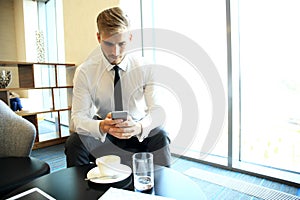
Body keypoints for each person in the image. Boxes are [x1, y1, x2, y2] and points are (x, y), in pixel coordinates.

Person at [65, 7, 171, 167]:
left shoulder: (146, 66)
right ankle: (81, 190)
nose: (115, 52)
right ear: (98, 37)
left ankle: (162, 189)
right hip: (104, 133)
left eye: (121, 44)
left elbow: (158, 112)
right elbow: (78, 118)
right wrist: (101, 126)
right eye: (108, 44)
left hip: (136, 129)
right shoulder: (85, 72)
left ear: (130, 37)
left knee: (161, 135)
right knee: (75, 141)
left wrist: (139, 127)